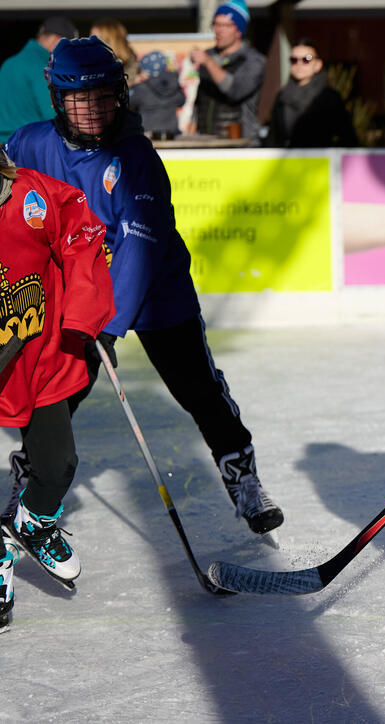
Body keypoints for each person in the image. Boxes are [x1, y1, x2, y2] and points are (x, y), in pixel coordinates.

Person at [4, 37, 284, 536]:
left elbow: (137, 248)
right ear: (57, 100)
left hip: (156, 293)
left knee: (198, 388)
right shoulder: (29, 144)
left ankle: (243, 479)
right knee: (53, 397)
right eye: (80, 100)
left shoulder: (135, 158)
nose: (95, 110)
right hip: (76, 295)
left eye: (105, 96)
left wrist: (107, 327)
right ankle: (32, 482)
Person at [0, 146, 115, 614]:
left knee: (59, 465)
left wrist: (86, 316)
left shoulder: (34, 197)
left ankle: (30, 525)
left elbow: (84, 238)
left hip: (40, 358)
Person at [188, 0, 266, 140]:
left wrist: (208, 63)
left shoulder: (253, 61)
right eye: (216, 24)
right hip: (207, 141)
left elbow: (235, 91)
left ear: (238, 31)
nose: (218, 30)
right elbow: (200, 100)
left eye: (225, 25)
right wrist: (191, 131)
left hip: (241, 143)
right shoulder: (210, 55)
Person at [264, 38, 357, 148]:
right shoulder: (283, 96)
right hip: (287, 161)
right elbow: (273, 137)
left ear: (318, 64)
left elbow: (347, 137)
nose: (299, 64)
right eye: (293, 60)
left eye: (306, 59)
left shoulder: (328, 97)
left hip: (319, 162)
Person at [0, 17, 79, 143]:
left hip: (3, 149)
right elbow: (54, 113)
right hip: (27, 148)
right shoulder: (45, 67)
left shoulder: (8, 64)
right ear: (57, 41)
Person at [129, 51, 185, 139]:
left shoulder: (142, 88)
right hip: (171, 133)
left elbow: (127, 101)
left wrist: (133, 85)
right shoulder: (173, 85)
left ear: (146, 71)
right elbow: (182, 101)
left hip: (148, 134)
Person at [89, 18, 140, 83]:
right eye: (90, 38)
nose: (90, 43)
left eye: (96, 40)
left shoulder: (136, 77)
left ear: (112, 42)